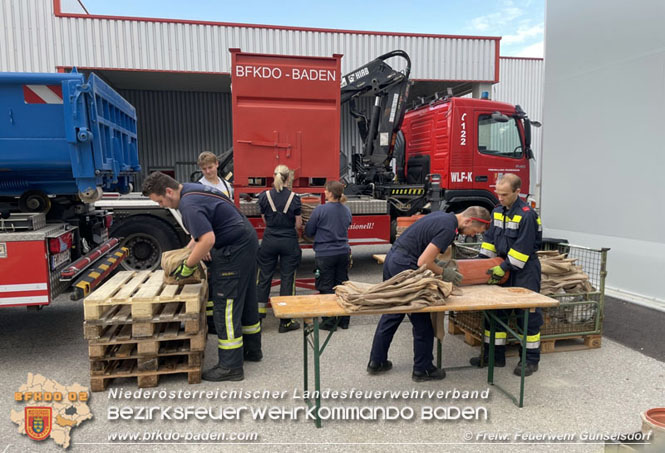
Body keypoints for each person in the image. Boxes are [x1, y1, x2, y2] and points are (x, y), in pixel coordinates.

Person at [142, 171, 262, 382]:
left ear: (169, 191)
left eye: (160, 201)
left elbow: (206, 240)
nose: (161, 206)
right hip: (246, 240)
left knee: (226, 306)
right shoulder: (192, 190)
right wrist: (186, 252)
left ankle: (230, 367)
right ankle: (252, 350)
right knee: (248, 298)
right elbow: (198, 237)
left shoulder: (188, 206)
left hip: (232, 250)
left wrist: (187, 267)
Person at [368, 207, 491, 382]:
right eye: (473, 232)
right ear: (468, 221)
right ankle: (423, 369)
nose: (471, 235)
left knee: (393, 312)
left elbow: (422, 246)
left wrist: (438, 262)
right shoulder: (448, 229)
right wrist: (444, 272)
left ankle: (377, 361)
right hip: (405, 264)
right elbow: (423, 261)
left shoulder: (441, 216)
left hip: (393, 260)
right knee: (422, 320)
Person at [471, 173, 543, 377]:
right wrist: (481, 263)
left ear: (517, 192)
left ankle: (529, 361)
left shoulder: (527, 214)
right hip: (502, 266)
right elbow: (489, 241)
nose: (499, 198)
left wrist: (504, 266)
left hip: (524, 270)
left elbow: (523, 249)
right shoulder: (497, 211)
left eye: (504, 195)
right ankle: (494, 356)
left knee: (526, 316)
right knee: (495, 313)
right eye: (498, 194)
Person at [256, 165, 303, 333]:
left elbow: (264, 219)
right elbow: (298, 223)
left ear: (273, 175)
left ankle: (257, 319)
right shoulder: (294, 198)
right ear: (288, 178)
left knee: (263, 277)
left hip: (269, 239)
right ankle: (285, 321)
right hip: (288, 240)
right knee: (287, 278)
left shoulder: (264, 196)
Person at [304, 181, 352, 330]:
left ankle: (329, 322)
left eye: (326, 190)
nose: (324, 192)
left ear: (330, 193)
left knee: (326, 286)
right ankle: (344, 320)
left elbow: (309, 230)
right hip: (343, 252)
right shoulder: (346, 210)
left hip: (325, 254)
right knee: (342, 285)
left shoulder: (320, 210)